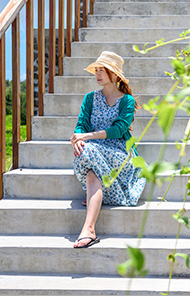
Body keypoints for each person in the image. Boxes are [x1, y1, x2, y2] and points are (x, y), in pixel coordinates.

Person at [71, 51, 145, 248]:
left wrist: (87, 136)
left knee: (89, 152)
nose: (98, 74)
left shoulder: (127, 100)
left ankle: (92, 198)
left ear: (115, 75)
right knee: (89, 160)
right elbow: (81, 124)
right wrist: (78, 138)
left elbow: (119, 129)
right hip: (94, 149)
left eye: (102, 70)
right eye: (96, 70)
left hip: (119, 151)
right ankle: (89, 230)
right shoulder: (89, 98)